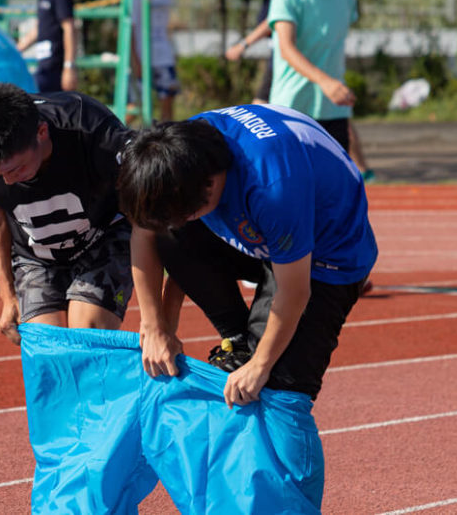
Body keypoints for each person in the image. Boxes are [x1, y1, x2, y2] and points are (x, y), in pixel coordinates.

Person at [117, 104, 377, 509]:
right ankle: (240, 339)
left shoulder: (273, 185)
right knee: (171, 238)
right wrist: (156, 327)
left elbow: (295, 291)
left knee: (281, 390)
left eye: (185, 214)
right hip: (259, 234)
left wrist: (261, 365)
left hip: (327, 256)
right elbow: (148, 233)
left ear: (208, 187)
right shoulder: (177, 154)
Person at [0, 82, 134, 345]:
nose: (8, 182)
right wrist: (7, 295)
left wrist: (157, 319)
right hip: (35, 253)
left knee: (86, 338)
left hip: (102, 236)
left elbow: (146, 210)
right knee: (46, 348)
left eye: (16, 169)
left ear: (42, 132)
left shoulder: (94, 132)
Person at [268, 0, 358, 152]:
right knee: (294, 188)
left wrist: (335, 87)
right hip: (291, 109)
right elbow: (286, 48)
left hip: (334, 111)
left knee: (337, 188)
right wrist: (326, 82)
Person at [220, 0, 297, 104]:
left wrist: (242, 44)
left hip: (283, 50)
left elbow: (272, 20)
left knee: (261, 103)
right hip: (284, 50)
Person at [16, 0, 77, 93]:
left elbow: (69, 28)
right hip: (44, 65)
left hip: (56, 67)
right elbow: (39, 28)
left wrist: (69, 67)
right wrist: (15, 49)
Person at [127, 0, 179, 123]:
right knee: (135, 105)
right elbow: (131, 27)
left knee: (167, 100)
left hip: (163, 56)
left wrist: (173, 50)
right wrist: (134, 59)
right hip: (143, 55)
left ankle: (167, 141)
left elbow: (168, 24)